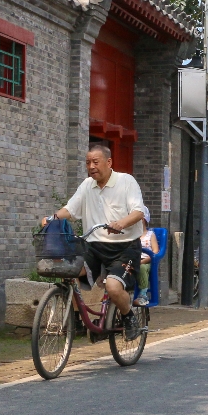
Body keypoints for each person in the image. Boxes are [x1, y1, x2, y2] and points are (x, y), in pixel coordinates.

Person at [41, 144, 146, 340]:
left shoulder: (126, 181)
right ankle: (78, 320)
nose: (91, 167)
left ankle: (129, 317)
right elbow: (70, 210)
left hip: (125, 247)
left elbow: (139, 212)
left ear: (109, 162)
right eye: (88, 163)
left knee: (114, 287)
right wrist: (52, 218)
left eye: (95, 162)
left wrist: (121, 223)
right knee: (68, 270)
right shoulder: (86, 185)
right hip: (94, 246)